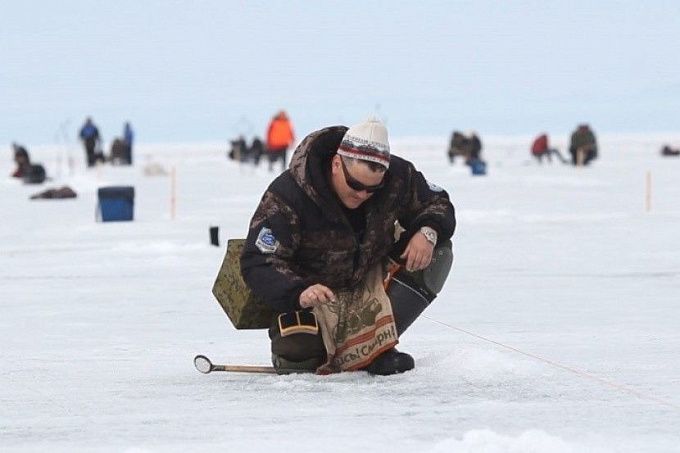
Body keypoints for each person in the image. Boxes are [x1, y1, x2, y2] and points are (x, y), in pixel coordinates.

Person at [240, 118, 456, 375]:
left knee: (438, 251)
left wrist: (428, 230)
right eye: (355, 184)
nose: (362, 194)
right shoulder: (289, 194)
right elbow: (257, 260)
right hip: (311, 295)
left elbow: (437, 201)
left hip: (369, 284)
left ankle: (378, 348)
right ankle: (312, 352)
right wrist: (299, 291)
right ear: (336, 164)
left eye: (372, 189)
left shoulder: (398, 176)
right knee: (297, 354)